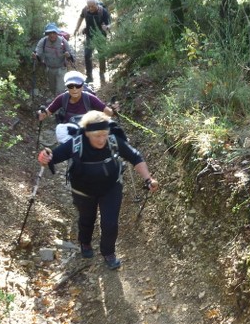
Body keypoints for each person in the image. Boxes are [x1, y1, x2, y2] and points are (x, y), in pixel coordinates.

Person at [38, 110, 159, 269]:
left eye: (104, 134)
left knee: (110, 223)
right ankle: (85, 242)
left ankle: (109, 253)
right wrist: (44, 158)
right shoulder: (76, 143)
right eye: (97, 135)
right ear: (87, 133)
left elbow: (135, 157)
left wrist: (148, 178)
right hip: (83, 190)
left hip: (111, 187)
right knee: (87, 219)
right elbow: (52, 157)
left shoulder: (113, 140)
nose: (102, 139)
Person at [37, 70, 119, 143]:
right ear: (67, 87)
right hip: (69, 134)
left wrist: (114, 110)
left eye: (78, 85)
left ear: (82, 86)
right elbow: (48, 112)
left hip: (87, 132)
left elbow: (107, 111)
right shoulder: (62, 98)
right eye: (70, 86)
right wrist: (42, 113)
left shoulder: (89, 98)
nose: (74, 89)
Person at [73, 0, 111, 85]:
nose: (90, 8)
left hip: (101, 36)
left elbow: (109, 24)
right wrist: (76, 28)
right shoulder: (85, 10)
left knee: (102, 54)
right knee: (87, 55)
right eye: (89, 6)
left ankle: (102, 72)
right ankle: (89, 76)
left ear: (96, 5)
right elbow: (81, 18)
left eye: (92, 6)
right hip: (89, 36)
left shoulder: (103, 11)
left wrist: (107, 27)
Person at [33, 23, 76, 99]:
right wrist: (35, 56)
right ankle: (57, 103)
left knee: (60, 90)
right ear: (47, 34)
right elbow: (38, 53)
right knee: (52, 89)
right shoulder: (43, 42)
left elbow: (72, 57)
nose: (52, 35)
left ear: (57, 33)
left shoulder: (63, 41)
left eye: (54, 33)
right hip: (49, 69)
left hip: (61, 69)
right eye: (50, 33)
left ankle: (60, 108)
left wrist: (68, 55)